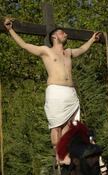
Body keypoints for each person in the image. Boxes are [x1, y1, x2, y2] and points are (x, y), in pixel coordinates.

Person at [3, 17, 100, 165]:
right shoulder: (46, 51)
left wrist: (92, 40)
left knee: (70, 125)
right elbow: (24, 45)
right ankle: (59, 154)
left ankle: (66, 153)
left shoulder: (68, 52)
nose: (65, 34)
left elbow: (82, 49)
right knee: (56, 125)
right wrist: (10, 30)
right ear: (54, 36)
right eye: (63, 33)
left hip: (71, 93)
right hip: (56, 92)